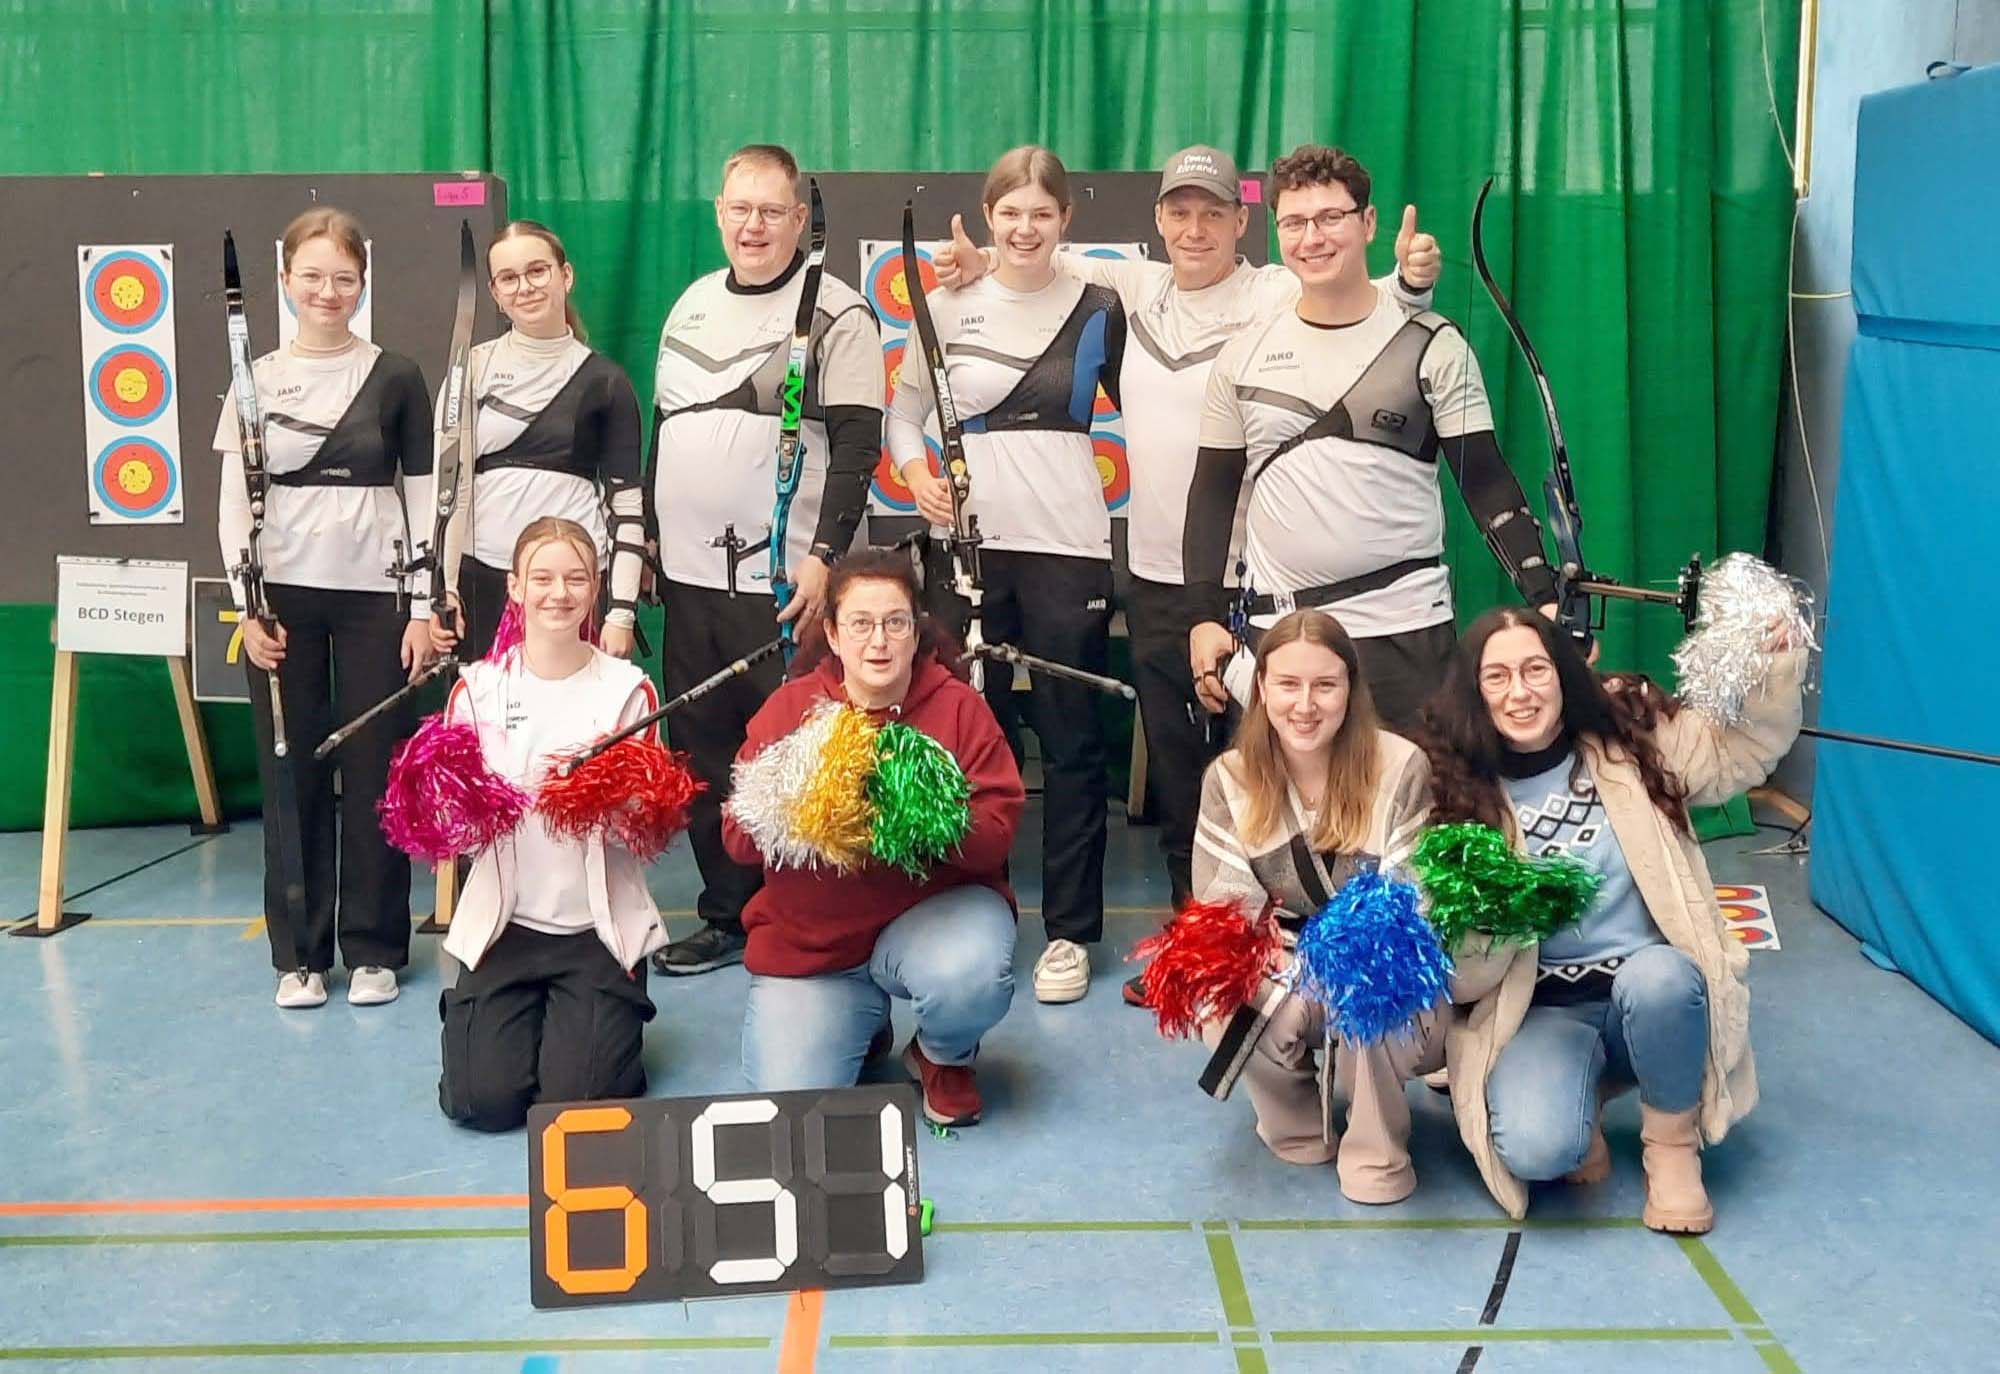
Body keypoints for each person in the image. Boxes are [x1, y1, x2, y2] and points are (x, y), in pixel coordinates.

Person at [934, 144, 1441, 931]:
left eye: (1213, 212)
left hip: (1260, 585)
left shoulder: (1277, 289)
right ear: (1159, 221)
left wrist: (1410, 283)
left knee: (1282, 768)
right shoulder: (1132, 287)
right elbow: (1038, 254)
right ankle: (1203, 941)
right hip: (1160, 581)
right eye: (1179, 212)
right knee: (1181, 782)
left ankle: (1314, 940)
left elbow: (1368, 307)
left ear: (1243, 222)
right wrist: (978, 263)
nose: (1195, 228)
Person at [1415, 606, 1805, 1231]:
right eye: (1498, 677)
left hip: (1649, 994)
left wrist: (1773, 663)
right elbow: (1460, 985)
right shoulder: (1456, 795)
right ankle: (1582, 1095)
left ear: (1564, 674)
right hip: (1540, 1010)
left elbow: (1742, 753)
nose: (1520, 692)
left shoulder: (1632, 742)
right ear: (1474, 692)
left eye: (1536, 669)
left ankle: (1671, 1147)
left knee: (1663, 980)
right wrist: (1497, 920)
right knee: (1538, 1150)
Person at [1184, 143, 1565, 735]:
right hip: (1280, 639)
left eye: (1330, 218)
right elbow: (1212, 494)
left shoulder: (1434, 345)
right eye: (1294, 223)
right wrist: (1204, 616)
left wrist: (1544, 594)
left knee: (1416, 791)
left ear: (1367, 223)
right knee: (1279, 798)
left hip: (1404, 634)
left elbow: (1485, 481)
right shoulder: (1242, 356)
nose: (1312, 238)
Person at [887, 144, 1126, 1005]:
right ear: (989, 216)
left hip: (1069, 546)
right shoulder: (948, 305)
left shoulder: (1101, 306)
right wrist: (916, 475)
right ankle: (960, 913)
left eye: (1042, 214)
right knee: (957, 738)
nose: (1025, 229)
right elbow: (904, 414)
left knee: (1072, 742)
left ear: (1067, 220)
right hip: (968, 552)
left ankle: (1069, 933)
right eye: (1010, 213)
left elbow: (1159, 409)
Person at [649, 143, 884, 977]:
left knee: (795, 755)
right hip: (688, 580)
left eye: (771, 211)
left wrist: (824, 558)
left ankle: (815, 918)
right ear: (719, 213)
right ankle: (729, 914)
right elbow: (665, 430)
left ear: (799, 219)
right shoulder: (690, 305)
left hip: (784, 585)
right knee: (704, 749)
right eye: (739, 209)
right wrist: (651, 539)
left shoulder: (840, 312)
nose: (753, 226)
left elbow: (858, 445)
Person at [214, 206, 433, 1009]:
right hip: (283, 602)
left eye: (343, 277)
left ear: (362, 282)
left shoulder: (397, 375)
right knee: (291, 770)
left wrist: (422, 604)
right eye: (312, 276)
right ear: (285, 281)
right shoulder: (256, 378)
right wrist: (247, 607)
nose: (327, 291)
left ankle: (374, 948)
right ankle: (300, 955)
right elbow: (233, 504)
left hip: (378, 595)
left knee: (378, 767)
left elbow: (422, 495)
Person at [726, 549, 1025, 1126]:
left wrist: (924, 813)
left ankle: (942, 1053)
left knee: (971, 974)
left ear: (917, 631)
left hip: (930, 924)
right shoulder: (790, 710)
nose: (879, 642)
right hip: (816, 953)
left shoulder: (958, 709)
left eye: (895, 622)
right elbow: (736, 840)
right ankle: (862, 1023)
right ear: (833, 635)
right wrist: (796, 804)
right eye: (860, 624)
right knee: (790, 1110)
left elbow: (997, 835)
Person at [1189, 610, 1443, 1203]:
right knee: (1218, 983)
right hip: (1284, 962)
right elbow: (1223, 902)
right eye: (1288, 684)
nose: (1305, 705)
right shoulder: (1228, 778)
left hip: (1375, 964)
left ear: (1351, 689)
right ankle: (1295, 1117)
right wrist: (1290, 971)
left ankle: (1377, 1149)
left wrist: (1331, 963)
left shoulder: (1402, 765)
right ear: (1261, 688)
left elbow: (1409, 903)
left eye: (1325, 685)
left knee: (1371, 977)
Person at [435, 517, 666, 1132]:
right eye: (541, 578)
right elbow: (455, 830)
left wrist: (612, 803)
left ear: (595, 590)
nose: (558, 594)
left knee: (575, 1108)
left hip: (596, 930)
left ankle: (604, 1022)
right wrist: (455, 809)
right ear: (514, 587)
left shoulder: (629, 690)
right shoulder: (476, 690)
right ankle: (512, 1021)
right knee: (481, 1103)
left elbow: (645, 823)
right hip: (504, 928)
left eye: (575, 579)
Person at [425, 220, 645, 662]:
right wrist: (443, 588)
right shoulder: (471, 369)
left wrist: (621, 612)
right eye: (508, 278)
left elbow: (626, 506)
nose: (525, 287)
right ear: (495, 293)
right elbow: (449, 491)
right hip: (482, 582)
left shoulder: (607, 382)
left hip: (571, 587)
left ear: (566, 276)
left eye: (537, 271)